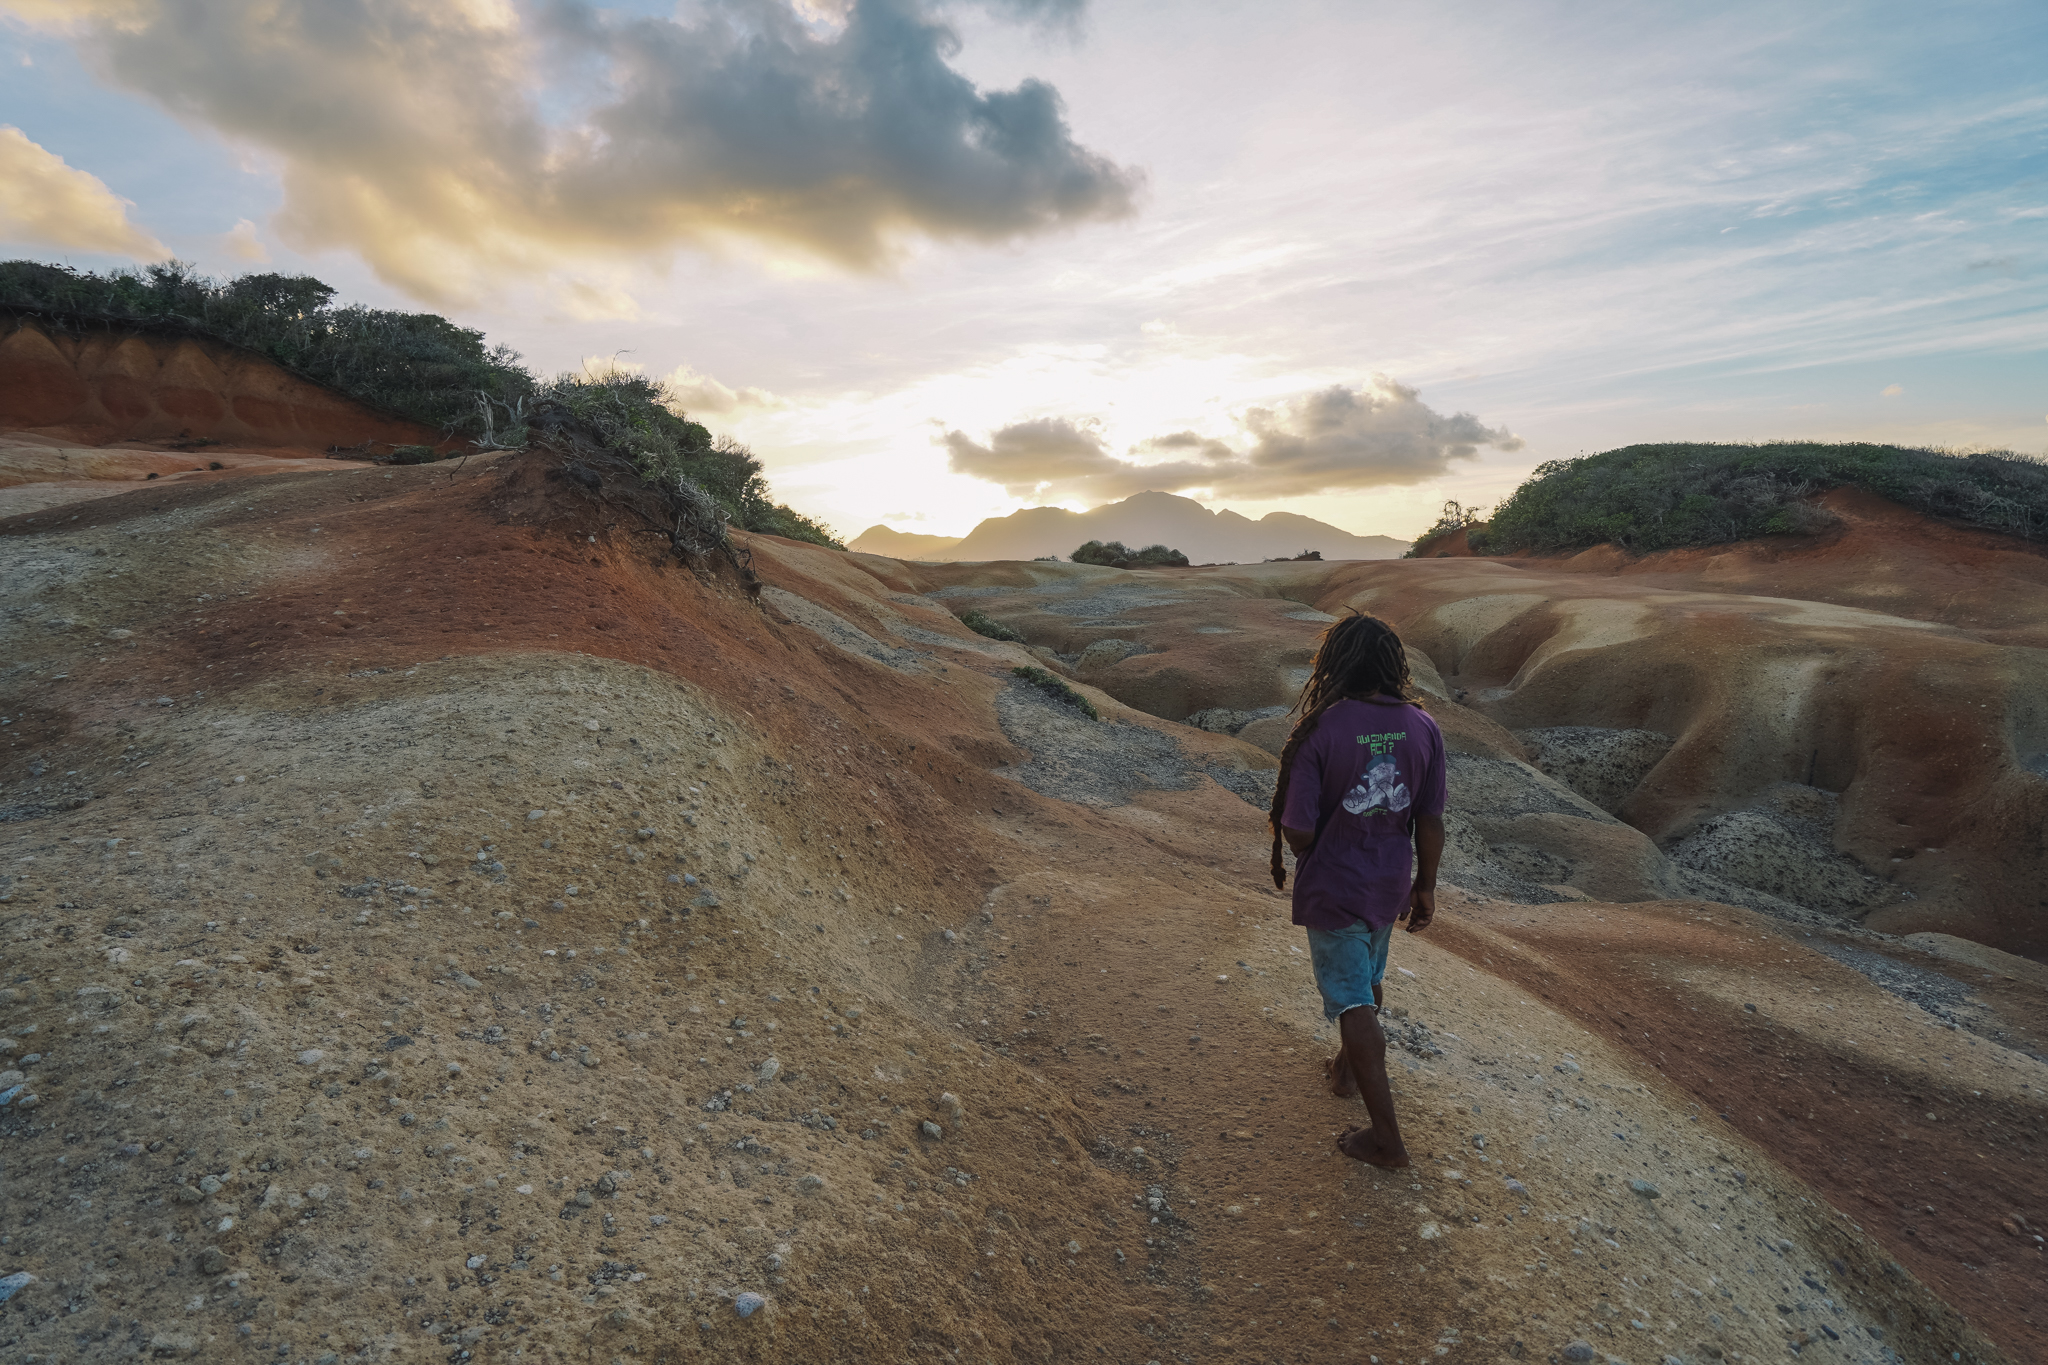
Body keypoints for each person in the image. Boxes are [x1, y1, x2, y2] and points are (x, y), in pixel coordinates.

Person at [1267, 611, 1446, 1168]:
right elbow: (1430, 818)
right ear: (1395, 665)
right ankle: (1346, 1072)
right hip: (1388, 882)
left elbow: (1298, 831)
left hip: (1335, 884)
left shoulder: (1321, 729)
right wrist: (1425, 886)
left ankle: (1386, 1140)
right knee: (1366, 979)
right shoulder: (1423, 726)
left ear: (1333, 665)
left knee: (1351, 1000)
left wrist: (1314, 837)